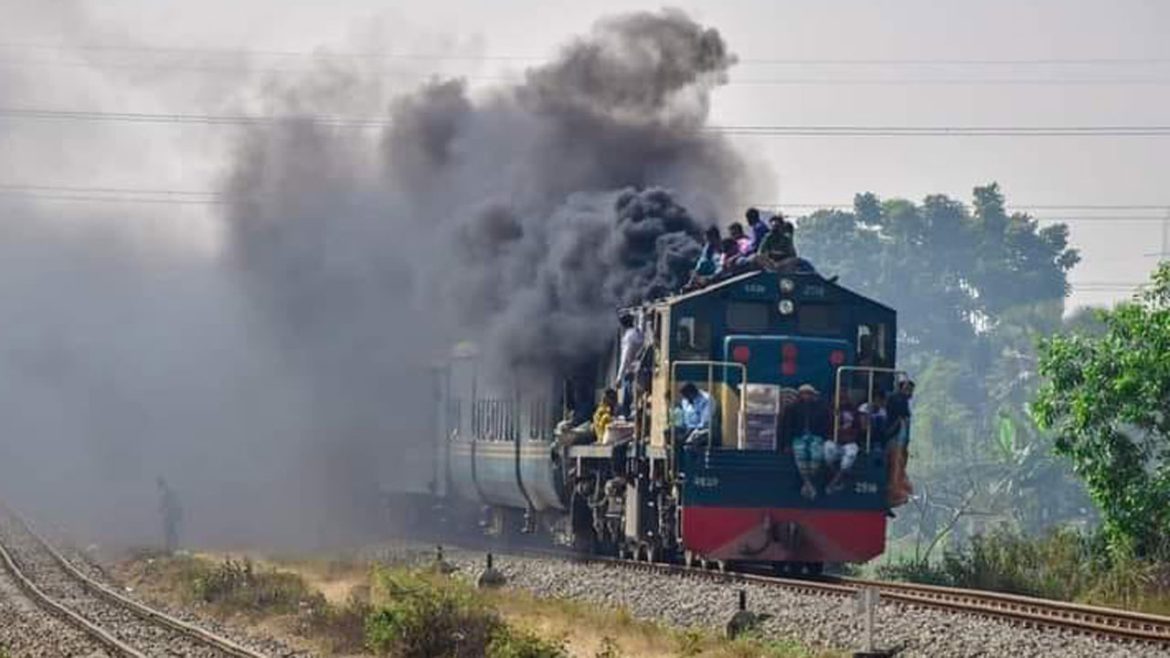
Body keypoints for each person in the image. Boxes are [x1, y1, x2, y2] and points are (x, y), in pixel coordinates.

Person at [780, 384, 831, 500]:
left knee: (816, 458)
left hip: (816, 437)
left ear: (813, 395)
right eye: (804, 393)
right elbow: (787, 427)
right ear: (800, 395)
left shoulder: (821, 409)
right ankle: (808, 484)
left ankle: (807, 484)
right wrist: (787, 444)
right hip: (799, 438)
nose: (806, 396)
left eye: (809, 393)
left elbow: (826, 425)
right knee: (800, 457)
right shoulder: (792, 408)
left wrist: (823, 438)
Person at [824, 386, 859, 494]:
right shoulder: (829, 409)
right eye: (840, 394)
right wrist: (834, 416)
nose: (842, 396)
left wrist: (852, 437)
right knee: (827, 451)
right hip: (834, 440)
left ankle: (834, 482)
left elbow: (858, 427)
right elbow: (825, 427)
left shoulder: (853, 409)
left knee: (851, 453)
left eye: (844, 393)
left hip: (849, 441)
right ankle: (839, 477)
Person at [885, 380, 915, 506]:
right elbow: (900, 417)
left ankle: (898, 489)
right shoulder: (897, 399)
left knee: (900, 461)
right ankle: (894, 490)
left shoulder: (902, 400)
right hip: (894, 437)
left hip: (900, 439)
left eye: (911, 390)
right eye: (907, 389)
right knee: (896, 461)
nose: (909, 392)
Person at [615, 313, 644, 417]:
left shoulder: (628, 337)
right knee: (636, 396)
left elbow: (625, 358)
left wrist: (619, 377)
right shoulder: (638, 333)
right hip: (639, 369)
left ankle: (628, 416)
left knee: (627, 398)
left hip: (630, 371)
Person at [156, 477, 183, 554]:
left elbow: (166, 503)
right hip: (171, 514)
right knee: (171, 530)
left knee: (169, 530)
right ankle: (172, 546)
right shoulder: (168, 491)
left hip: (171, 514)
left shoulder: (167, 491)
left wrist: (161, 509)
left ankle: (171, 546)